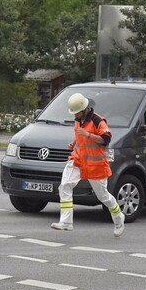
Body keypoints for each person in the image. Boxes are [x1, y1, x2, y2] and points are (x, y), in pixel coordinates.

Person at [51, 93, 125, 237]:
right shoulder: (78, 119)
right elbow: (80, 136)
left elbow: (106, 139)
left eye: (76, 112)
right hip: (78, 159)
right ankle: (66, 222)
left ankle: (118, 217)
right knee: (65, 185)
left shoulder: (98, 121)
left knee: (103, 196)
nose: (74, 115)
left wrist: (88, 135)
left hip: (95, 164)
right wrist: (74, 143)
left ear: (84, 109)